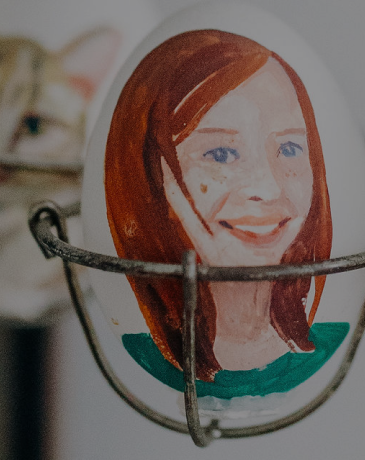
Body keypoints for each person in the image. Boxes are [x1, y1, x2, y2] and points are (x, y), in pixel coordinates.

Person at [103, 29, 340, 411]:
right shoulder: (143, 351)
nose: (267, 186)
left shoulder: (329, 340)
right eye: (221, 154)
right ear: (151, 172)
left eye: (291, 148)